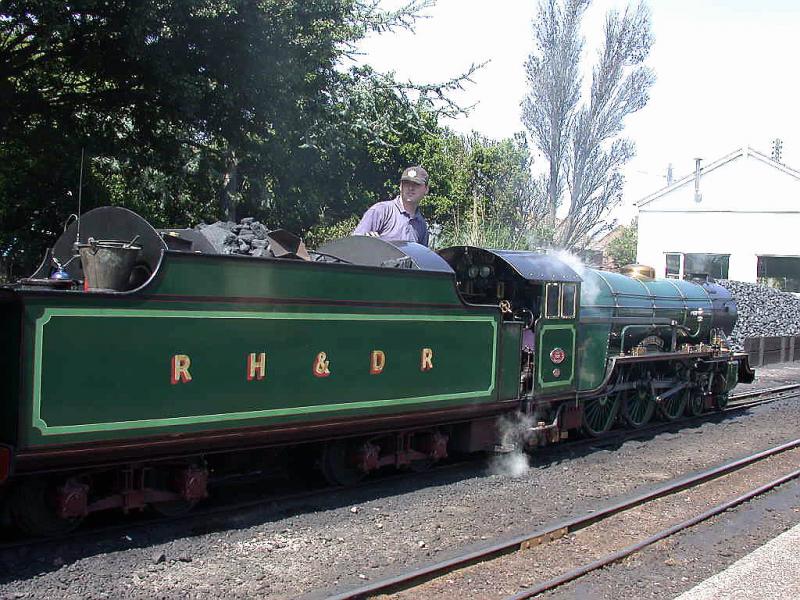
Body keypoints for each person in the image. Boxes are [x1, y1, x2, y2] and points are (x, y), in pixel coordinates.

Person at [352, 166, 430, 246]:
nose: (410, 188)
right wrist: (367, 243)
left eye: (416, 184)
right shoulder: (381, 211)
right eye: (406, 183)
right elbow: (353, 244)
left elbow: (421, 257)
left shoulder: (422, 226)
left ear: (426, 189)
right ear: (400, 186)